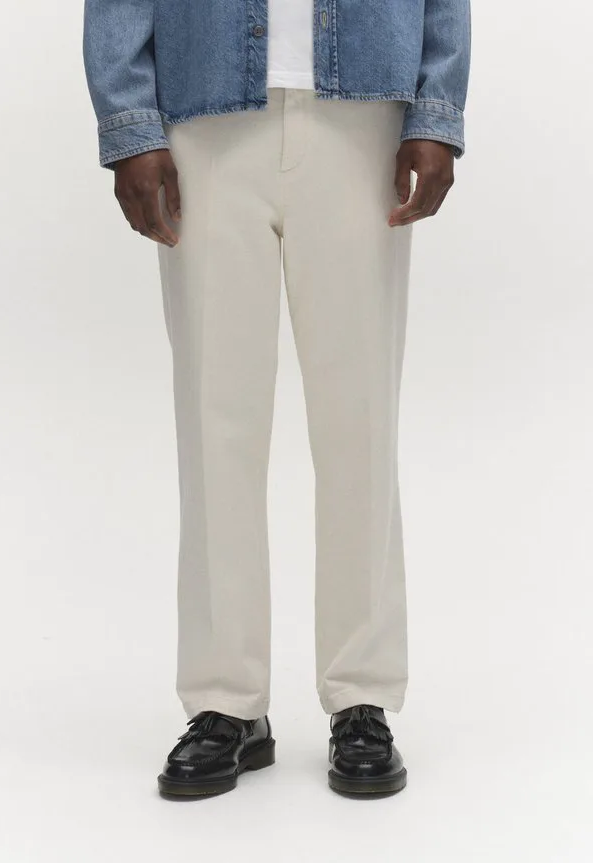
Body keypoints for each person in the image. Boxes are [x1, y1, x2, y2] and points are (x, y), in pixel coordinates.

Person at [83, 0, 471, 798]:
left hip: (364, 113)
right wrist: (130, 125)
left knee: (360, 420)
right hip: (203, 113)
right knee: (215, 417)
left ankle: (361, 694)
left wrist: (437, 108)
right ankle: (226, 701)